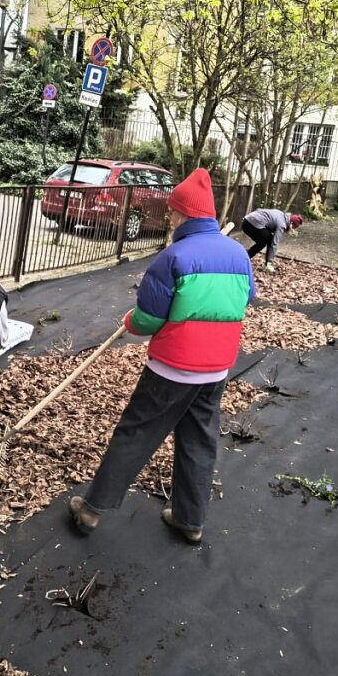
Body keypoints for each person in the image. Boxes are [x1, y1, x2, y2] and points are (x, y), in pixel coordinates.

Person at [67, 168, 255, 545]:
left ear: (184, 215)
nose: (168, 218)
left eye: (171, 212)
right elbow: (245, 299)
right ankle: (190, 520)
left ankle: (91, 511)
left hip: (172, 370)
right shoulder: (238, 254)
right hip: (216, 371)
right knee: (199, 442)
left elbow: (148, 321)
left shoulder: (173, 258)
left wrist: (129, 320)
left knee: (135, 434)